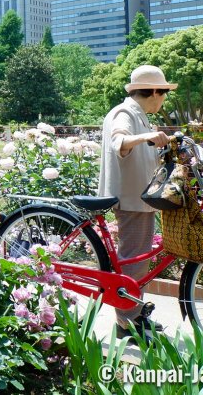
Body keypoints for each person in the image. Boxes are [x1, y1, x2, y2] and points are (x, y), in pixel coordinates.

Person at [98, 64, 175, 341]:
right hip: (131, 199)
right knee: (133, 263)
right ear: (154, 91)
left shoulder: (138, 114)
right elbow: (120, 141)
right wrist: (146, 136)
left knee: (137, 262)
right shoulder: (125, 112)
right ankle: (127, 322)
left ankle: (135, 314)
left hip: (138, 198)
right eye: (163, 93)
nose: (164, 98)